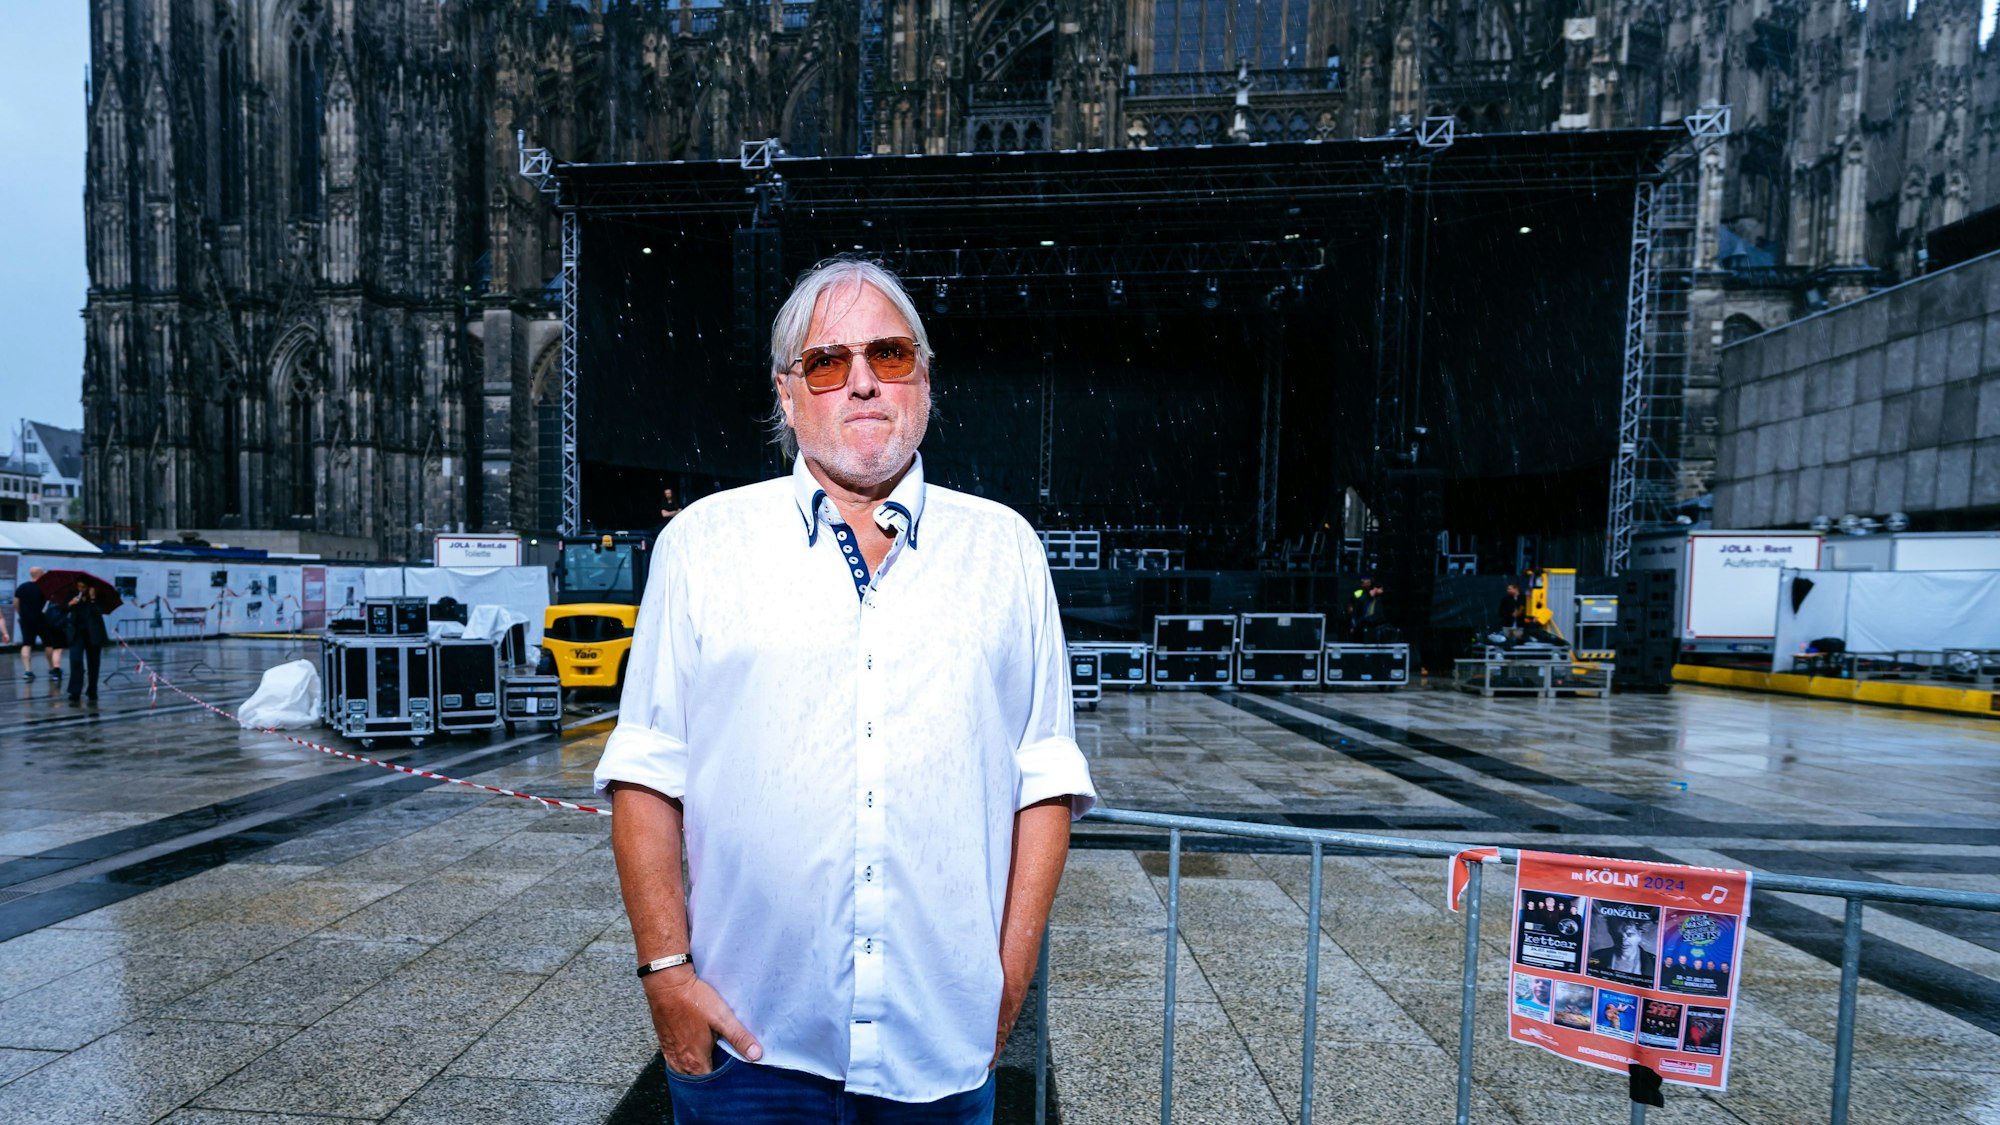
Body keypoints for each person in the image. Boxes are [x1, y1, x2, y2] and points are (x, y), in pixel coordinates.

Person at [595, 257, 1096, 1124]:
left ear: (925, 381)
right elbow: (645, 773)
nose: (862, 381)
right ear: (788, 397)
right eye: (827, 362)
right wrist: (667, 979)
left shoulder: (1005, 550)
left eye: (890, 355)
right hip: (748, 1049)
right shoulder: (703, 547)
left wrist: (1006, 981)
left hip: (939, 1055)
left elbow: (1045, 779)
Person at [13, 567, 62, 681]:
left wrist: (21, 614)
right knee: (48, 643)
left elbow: (16, 602)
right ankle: (52, 668)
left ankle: (28, 671)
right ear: (40, 574)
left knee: (27, 644)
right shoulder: (44, 588)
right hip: (40, 618)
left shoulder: (22, 587)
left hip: (25, 619)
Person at [65, 584, 108, 701]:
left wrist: (93, 598)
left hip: (93, 634)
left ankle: (92, 689)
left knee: (94, 663)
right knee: (76, 661)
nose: (80, 589)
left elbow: (99, 611)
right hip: (77, 633)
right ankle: (75, 691)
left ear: (89, 587)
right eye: (78, 587)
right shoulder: (72, 595)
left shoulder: (98, 596)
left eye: (83, 587)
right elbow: (63, 609)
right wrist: (70, 604)